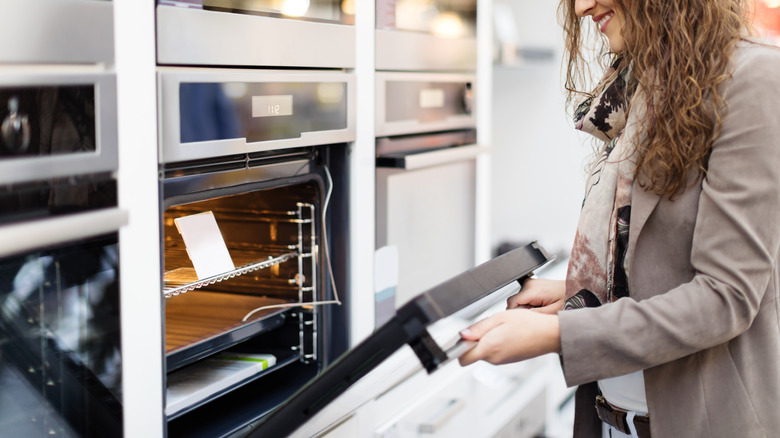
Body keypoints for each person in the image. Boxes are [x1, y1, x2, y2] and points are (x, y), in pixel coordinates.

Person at [458, 0, 780, 437]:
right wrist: (578, 292)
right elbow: (657, 261)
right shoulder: (646, 84)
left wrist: (560, 334)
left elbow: (725, 298)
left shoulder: (755, 79)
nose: (580, 8)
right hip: (609, 421)